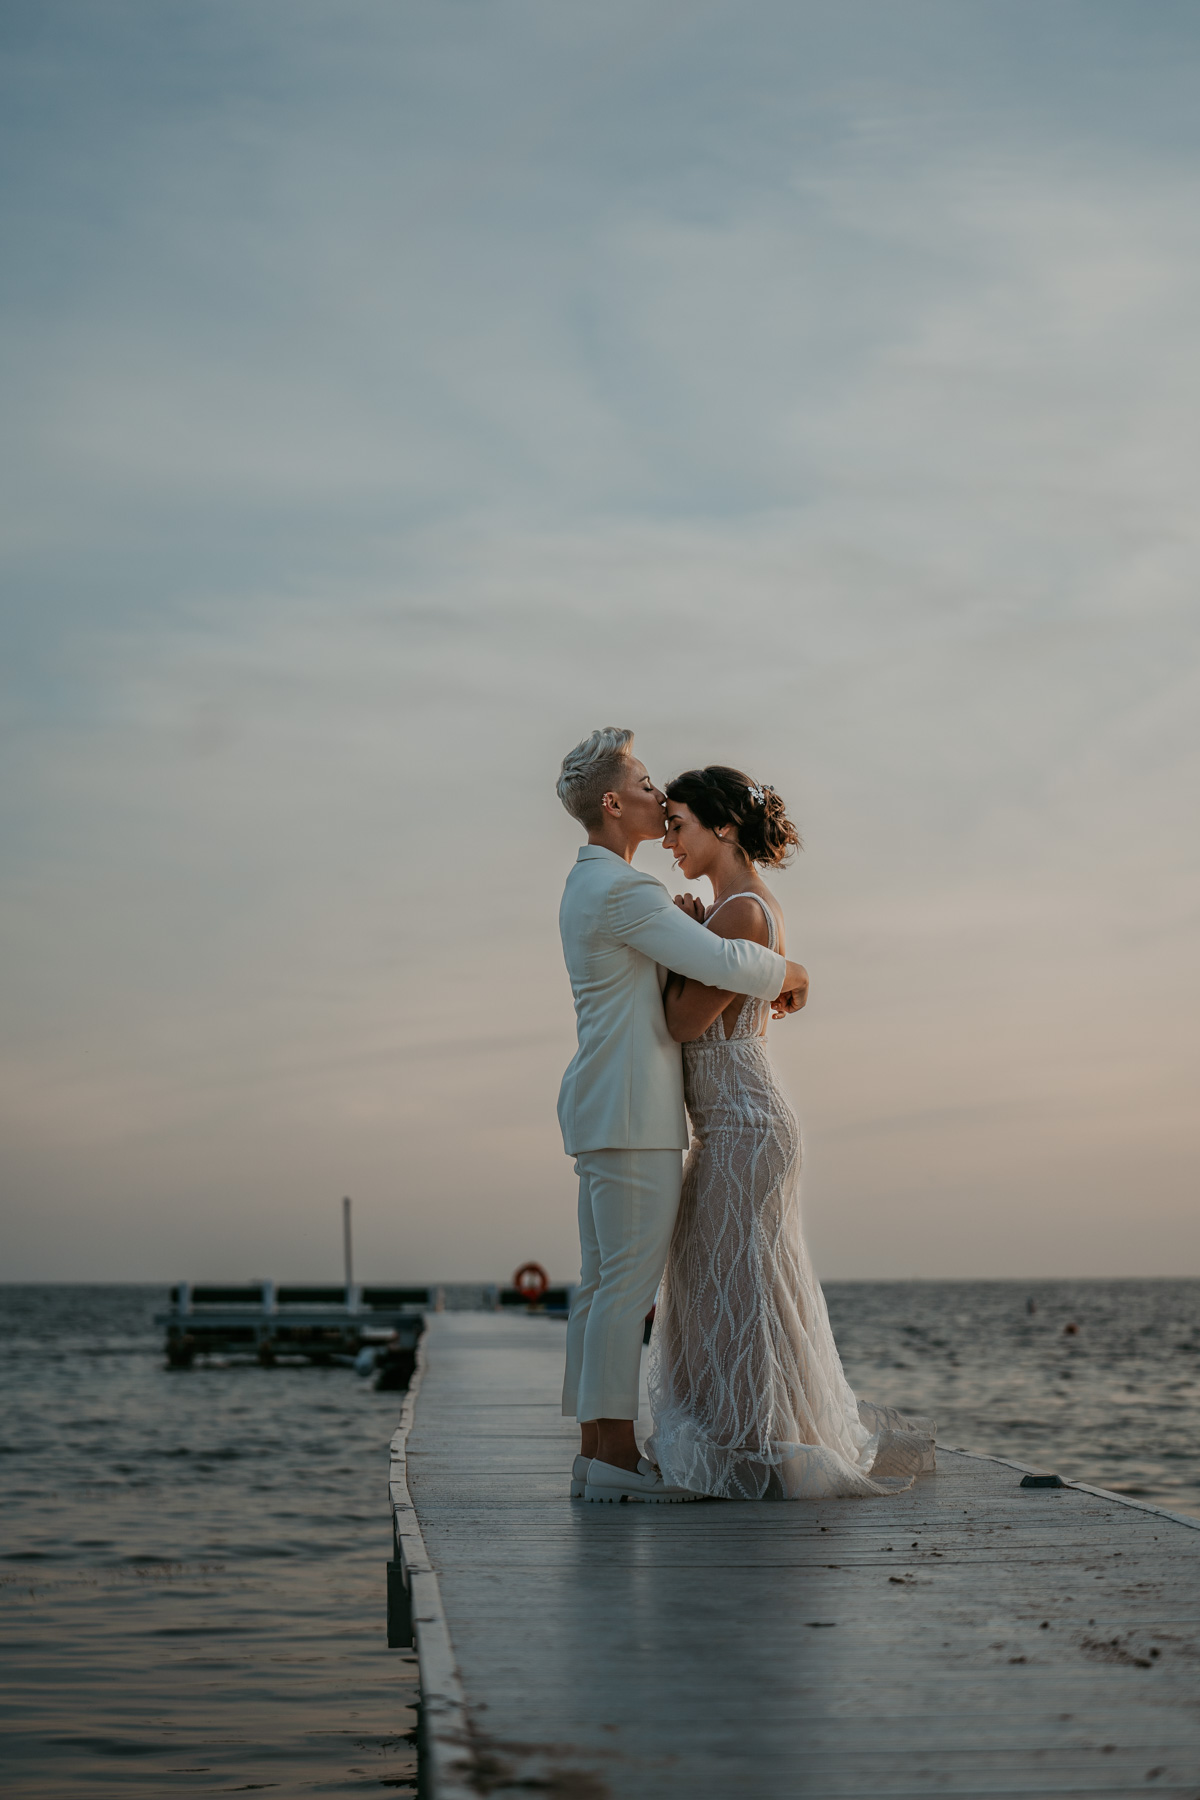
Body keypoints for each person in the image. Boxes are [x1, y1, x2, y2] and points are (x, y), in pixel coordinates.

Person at [645, 766, 936, 1498]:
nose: (668, 839)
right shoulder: (733, 910)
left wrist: (677, 932)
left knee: (733, 1286)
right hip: (737, 1125)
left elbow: (682, 1022)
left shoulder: (740, 912)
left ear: (725, 828)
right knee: (732, 1286)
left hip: (744, 1125)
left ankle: (750, 1445)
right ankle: (749, 1435)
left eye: (677, 823)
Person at [555, 729, 811, 1504]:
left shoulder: (588, 883)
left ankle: (599, 1454)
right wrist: (793, 973)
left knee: (603, 1289)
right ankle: (614, 1461)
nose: (657, 795)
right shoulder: (626, 892)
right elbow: (725, 966)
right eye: (642, 782)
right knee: (622, 1292)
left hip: (608, 1108)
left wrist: (696, 928)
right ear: (612, 801)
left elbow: (698, 963)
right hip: (633, 1115)